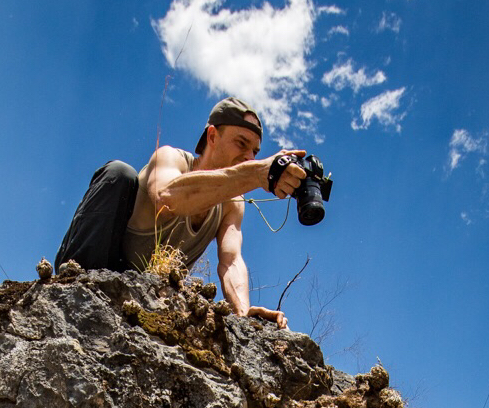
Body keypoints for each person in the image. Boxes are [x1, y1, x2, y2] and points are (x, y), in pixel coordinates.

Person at [53, 96, 306, 323]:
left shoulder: (233, 203)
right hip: (100, 263)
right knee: (119, 173)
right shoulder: (171, 158)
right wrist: (256, 174)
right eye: (241, 143)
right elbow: (168, 199)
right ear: (212, 136)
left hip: (148, 296)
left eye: (255, 152)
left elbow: (231, 261)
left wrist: (243, 312)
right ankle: (70, 283)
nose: (250, 157)